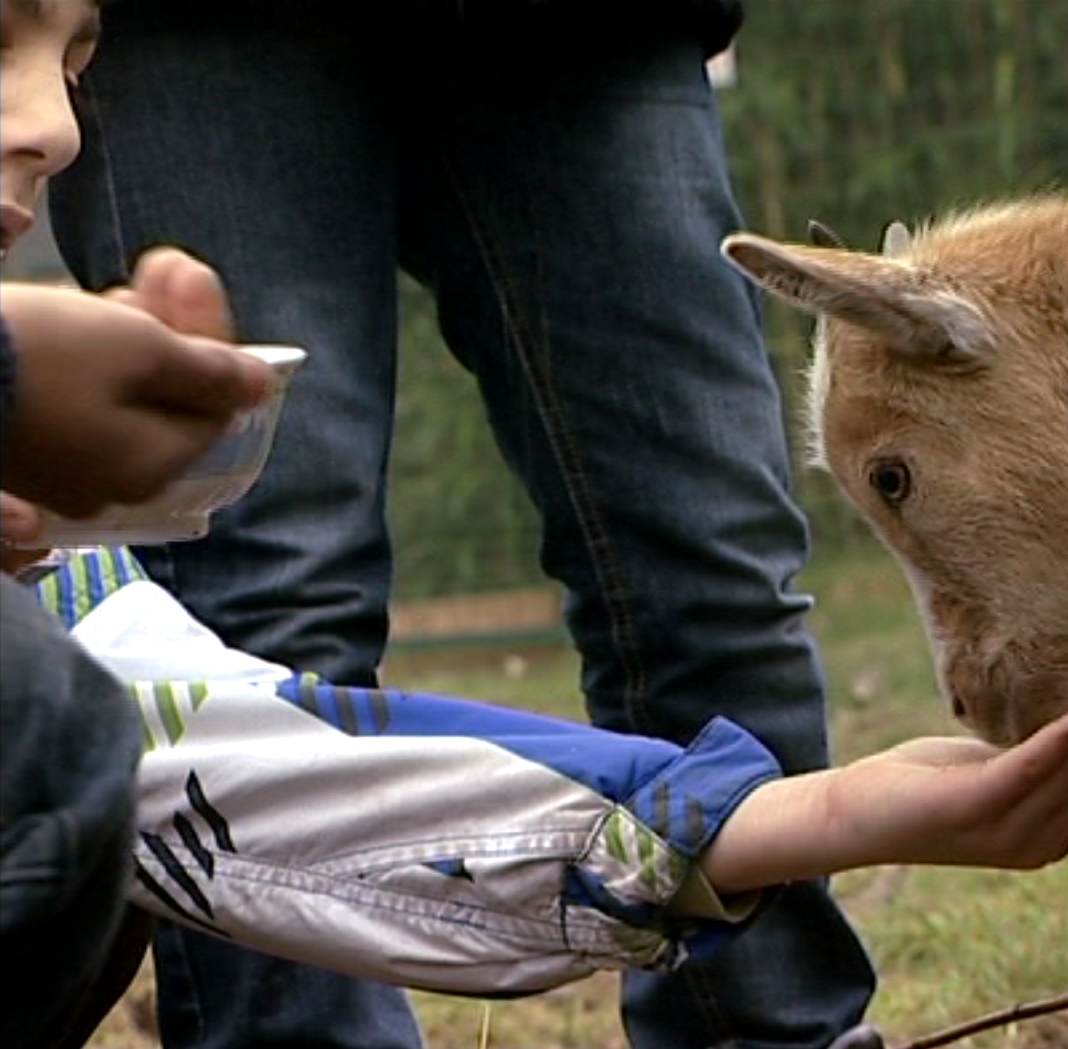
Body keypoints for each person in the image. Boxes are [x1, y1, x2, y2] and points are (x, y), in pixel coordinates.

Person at [48, 3, 885, 1047]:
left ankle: (771, 1028)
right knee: (266, 587)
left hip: (581, 37)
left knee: (711, 558)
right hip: (193, 34)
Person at [17, 541, 1068, 1021]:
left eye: (74, 57)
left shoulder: (61, 577)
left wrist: (803, 815)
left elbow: (241, 758)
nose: (53, 126)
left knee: (75, 738)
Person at [1, 6, 276, 1047]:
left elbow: (253, 738)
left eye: (77, 59)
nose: (60, 126)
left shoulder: (85, 577)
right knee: (42, 722)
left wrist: (705, 819)